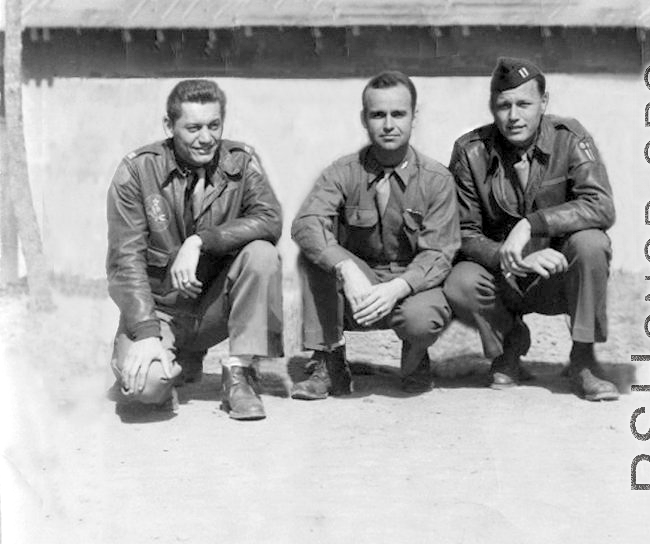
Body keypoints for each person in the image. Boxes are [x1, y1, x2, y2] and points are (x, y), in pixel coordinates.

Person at [106, 79, 283, 420]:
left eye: (214, 125)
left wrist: (200, 241)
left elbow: (269, 219)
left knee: (262, 253)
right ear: (169, 126)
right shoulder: (136, 170)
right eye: (193, 127)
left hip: (215, 306)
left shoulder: (241, 162)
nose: (206, 138)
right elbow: (123, 262)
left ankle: (239, 374)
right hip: (161, 309)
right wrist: (145, 333)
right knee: (147, 389)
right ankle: (176, 360)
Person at [444, 57, 619, 401]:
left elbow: (600, 204)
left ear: (544, 102)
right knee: (460, 281)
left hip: (557, 274)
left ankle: (583, 358)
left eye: (524, 104)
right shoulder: (470, 151)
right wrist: (508, 257)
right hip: (504, 274)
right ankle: (509, 346)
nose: (513, 116)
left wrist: (532, 224)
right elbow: (462, 231)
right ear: (492, 107)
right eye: (503, 105)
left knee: (591, 244)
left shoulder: (569, 138)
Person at [290, 70, 460, 398]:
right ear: (364, 119)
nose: (388, 124)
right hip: (361, 284)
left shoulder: (437, 179)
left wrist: (397, 288)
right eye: (377, 114)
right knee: (313, 256)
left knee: (421, 320)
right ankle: (329, 362)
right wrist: (346, 267)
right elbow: (306, 222)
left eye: (398, 114)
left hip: (412, 286)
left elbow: (439, 253)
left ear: (414, 117)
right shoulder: (343, 172)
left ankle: (415, 360)